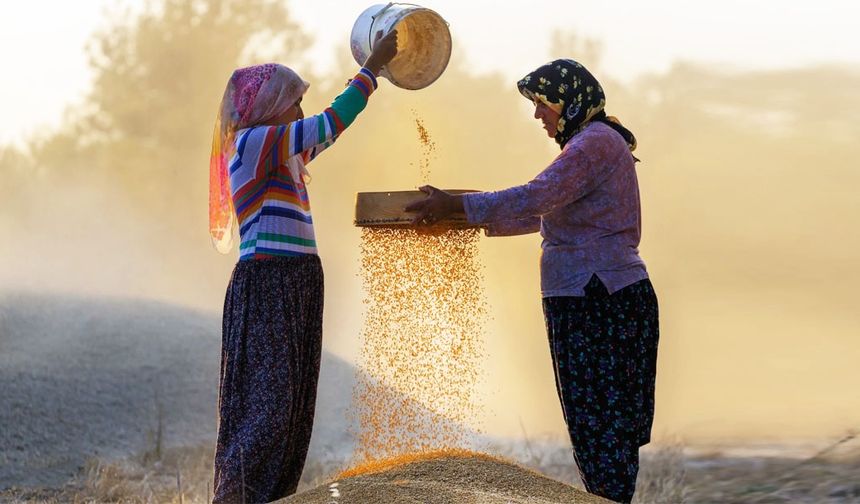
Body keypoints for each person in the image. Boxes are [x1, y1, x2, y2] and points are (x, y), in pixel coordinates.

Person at [406, 59, 659, 504]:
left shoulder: (594, 144)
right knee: (595, 430)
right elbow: (541, 212)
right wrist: (458, 213)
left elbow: (536, 196)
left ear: (570, 101)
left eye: (544, 104)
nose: (538, 114)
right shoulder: (588, 145)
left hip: (599, 296)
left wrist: (461, 207)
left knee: (602, 430)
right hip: (591, 296)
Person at [207, 30, 398, 503]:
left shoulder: (283, 153)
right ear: (269, 107)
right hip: (269, 283)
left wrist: (373, 76)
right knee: (266, 412)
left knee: (291, 411)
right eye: (292, 103)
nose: (298, 112)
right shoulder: (253, 143)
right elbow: (328, 122)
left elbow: (327, 128)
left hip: (297, 283)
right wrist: (370, 70)